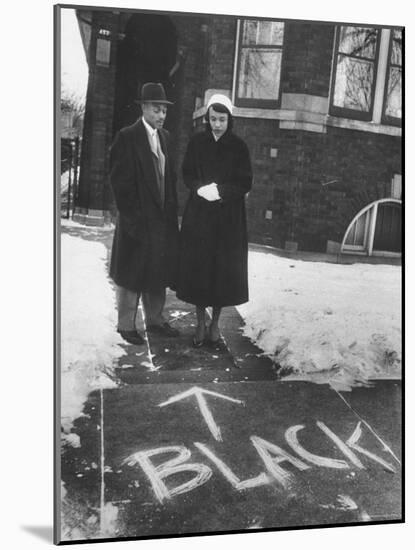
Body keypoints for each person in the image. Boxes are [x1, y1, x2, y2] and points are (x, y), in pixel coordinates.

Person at [177, 94, 253, 347]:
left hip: (227, 218)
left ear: (229, 120)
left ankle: (215, 324)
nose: (217, 124)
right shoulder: (197, 143)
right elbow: (187, 172)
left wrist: (221, 192)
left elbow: (245, 182)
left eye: (221, 120)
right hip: (200, 216)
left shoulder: (239, 147)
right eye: (212, 119)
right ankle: (199, 322)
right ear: (207, 119)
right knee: (199, 269)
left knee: (221, 272)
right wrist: (199, 188)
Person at [109, 82, 180, 345]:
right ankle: (126, 325)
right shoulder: (127, 137)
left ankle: (155, 320)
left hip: (160, 221)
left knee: (157, 271)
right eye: (156, 109)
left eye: (164, 110)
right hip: (136, 220)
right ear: (144, 108)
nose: (161, 115)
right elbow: (120, 184)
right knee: (131, 272)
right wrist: (133, 220)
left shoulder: (166, 138)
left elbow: (168, 180)